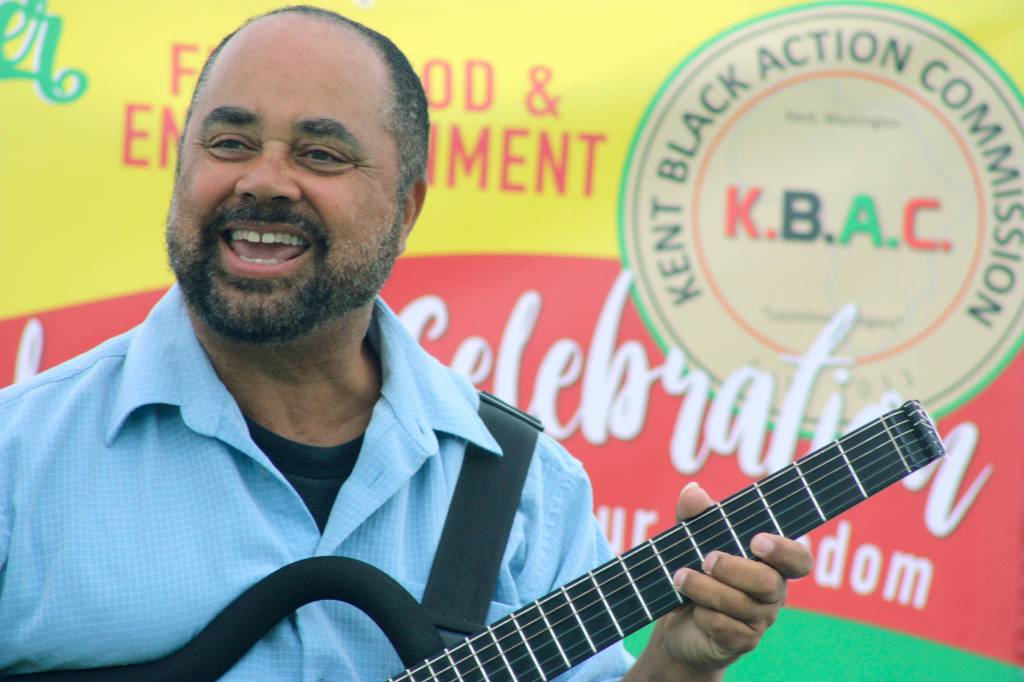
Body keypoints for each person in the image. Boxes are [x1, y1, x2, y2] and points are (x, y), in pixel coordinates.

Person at [0, 5, 812, 680]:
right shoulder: (20, 458)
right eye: (229, 142)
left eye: (320, 154)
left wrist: (678, 664)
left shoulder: (522, 487)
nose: (264, 179)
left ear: (406, 207)